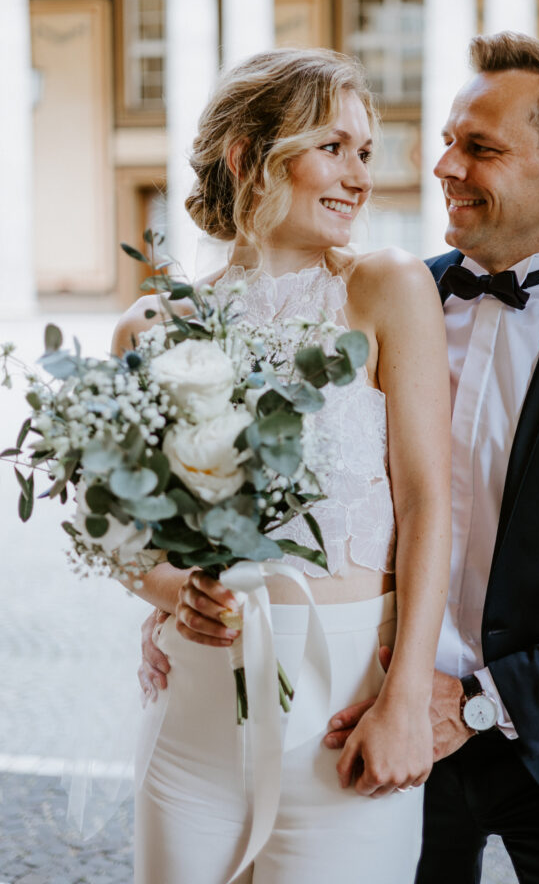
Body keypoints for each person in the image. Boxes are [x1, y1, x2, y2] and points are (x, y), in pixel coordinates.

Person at [320, 32, 539, 883]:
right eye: (447, 139)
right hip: (375, 720)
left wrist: (483, 703)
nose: (443, 165)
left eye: (478, 147)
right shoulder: (371, 307)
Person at [113, 48, 452, 884]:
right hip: (191, 718)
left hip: (343, 712)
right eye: (333, 146)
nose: (359, 176)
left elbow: (428, 503)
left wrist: (406, 696)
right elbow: (125, 536)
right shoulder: (149, 328)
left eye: (366, 152)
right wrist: (173, 591)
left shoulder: (386, 289)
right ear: (247, 155)